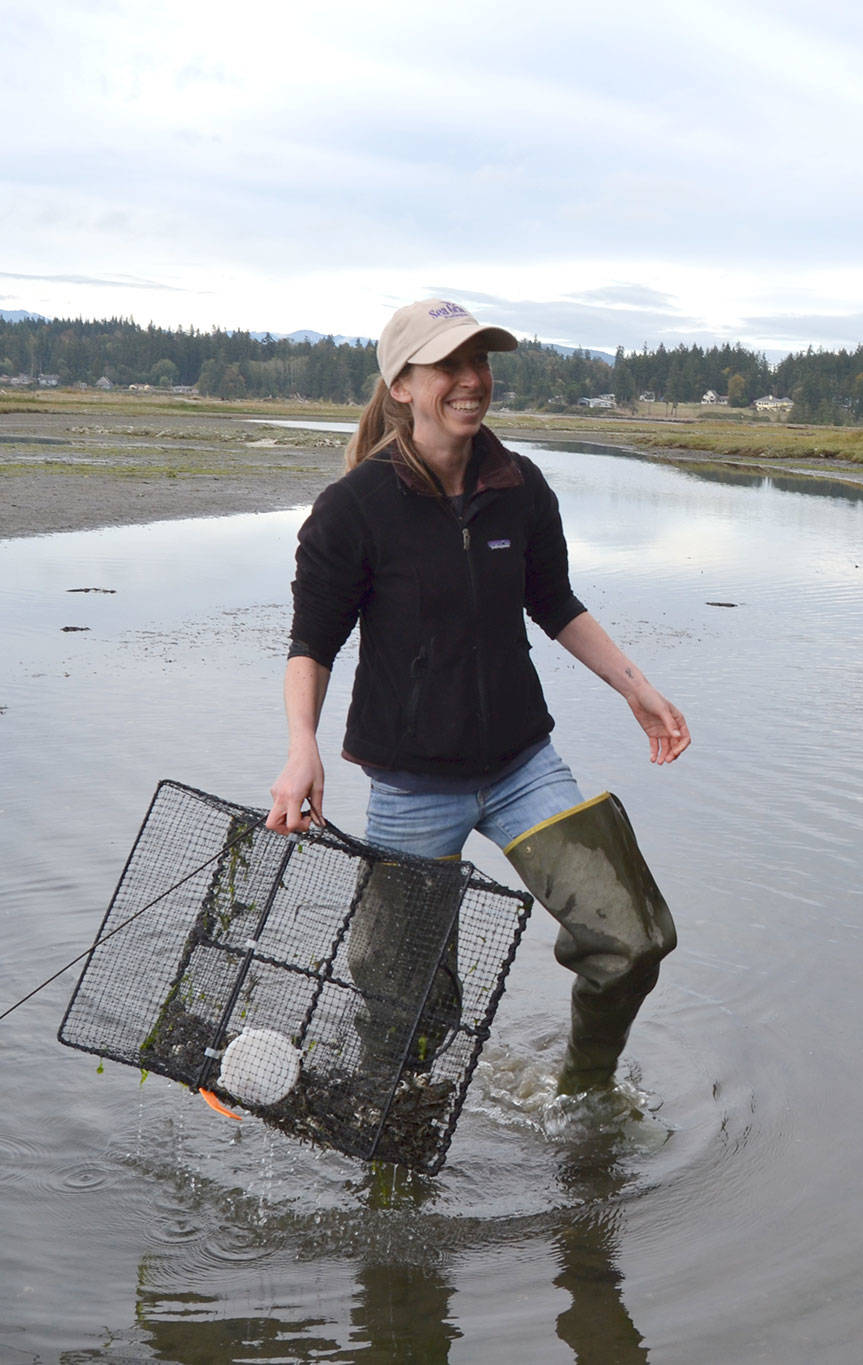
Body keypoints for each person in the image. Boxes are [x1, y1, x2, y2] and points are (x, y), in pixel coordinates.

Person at [266, 298, 686, 1092]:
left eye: (481, 362)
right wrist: (302, 746)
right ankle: (400, 1162)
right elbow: (311, 642)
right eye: (449, 366)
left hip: (523, 766)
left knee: (630, 938)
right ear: (402, 386)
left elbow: (554, 601)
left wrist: (640, 690)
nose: (472, 381)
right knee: (404, 1016)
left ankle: (582, 1097)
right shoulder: (353, 509)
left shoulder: (519, 488)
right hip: (412, 785)